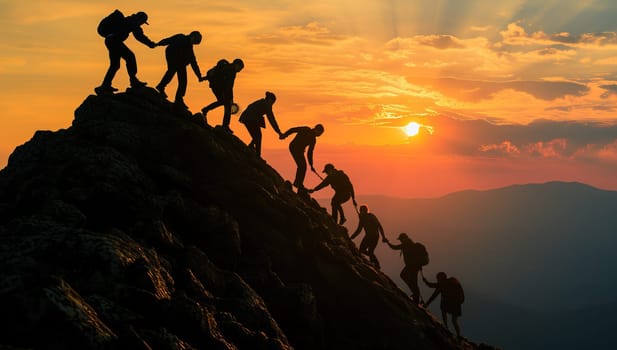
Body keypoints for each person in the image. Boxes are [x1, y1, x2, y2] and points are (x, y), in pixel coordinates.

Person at [95, 10, 157, 95]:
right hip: (114, 41)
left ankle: (105, 86)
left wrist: (149, 43)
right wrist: (150, 44)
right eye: (142, 22)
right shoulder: (133, 22)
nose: (141, 24)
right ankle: (133, 81)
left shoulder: (129, 20)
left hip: (110, 41)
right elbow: (139, 36)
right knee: (130, 57)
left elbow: (138, 35)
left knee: (115, 65)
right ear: (140, 19)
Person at [155, 31, 205, 109]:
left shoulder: (189, 47)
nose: (194, 44)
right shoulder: (181, 38)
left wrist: (199, 75)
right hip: (173, 57)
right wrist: (158, 44)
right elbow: (169, 40)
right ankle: (164, 88)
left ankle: (178, 98)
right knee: (173, 71)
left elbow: (193, 62)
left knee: (182, 80)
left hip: (180, 62)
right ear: (192, 36)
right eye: (195, 41)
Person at [201, 58, 244, 132]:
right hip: (219, 88)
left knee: (223, 102)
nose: (240, 70)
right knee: (226, 104)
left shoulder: (228, 68)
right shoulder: (231, 71)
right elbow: (228, 85)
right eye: (240, 68)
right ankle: (225, 126)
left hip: (216, 86)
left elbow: (229, 86)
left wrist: (230, 97)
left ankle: (206, 110)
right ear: (237, 64)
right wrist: (228, 96)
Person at [385, 233, 427, 305]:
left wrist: (388, 242)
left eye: (401, 239)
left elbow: (394, 247)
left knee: (404, 276)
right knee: (412, 280)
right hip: (415, 266)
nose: (400, 241)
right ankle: (415, 294)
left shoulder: (405, 244)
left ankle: (415, 296)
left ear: (403, 238)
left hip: (411, 266)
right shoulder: (411, 244)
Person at [280, 124, 324, 192]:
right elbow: (293, 129)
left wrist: (311, 165)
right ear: (317, 130)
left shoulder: (313, 140)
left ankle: (298, 184)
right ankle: (298, 184)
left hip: (300, 151)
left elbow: (310, 153)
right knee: (302, 166)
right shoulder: (306, 129)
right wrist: (285, 135)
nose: (320, 135)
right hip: (294, 147)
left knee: (302, 166)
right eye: (320, 133)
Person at [238, 91, 283, 156]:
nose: (272, 105)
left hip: (249, 118)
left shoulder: (262, 102)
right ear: (270, 100)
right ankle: (257, 154)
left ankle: (251, 146)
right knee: (258, 136)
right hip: (249, 119)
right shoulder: (266, 104)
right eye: (272, 103)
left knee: (257, 135)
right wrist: (279, 132)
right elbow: (272, 119)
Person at [422, 272, 465, 338]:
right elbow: (432, 288)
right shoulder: (451, 281)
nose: (437, 280)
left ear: (440, 278)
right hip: (457, 304)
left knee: (443, 310)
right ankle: (458, 335)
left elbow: (433, 294)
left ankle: (446, 327)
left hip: (450, 303)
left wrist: (426, 304)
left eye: (438, 278)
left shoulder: (441, 285)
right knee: (454, 320)